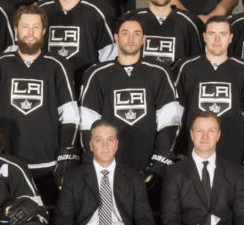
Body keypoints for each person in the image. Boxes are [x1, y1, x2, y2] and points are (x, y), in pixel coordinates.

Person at [0, 4, 80, 205]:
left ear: (44, 31)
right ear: (15, 30)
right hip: (7, 165)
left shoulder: (58, 65)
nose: (30, 33)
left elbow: (69, 115)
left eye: (36, 27)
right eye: (25, 27)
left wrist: (66, 151)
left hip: (48, 166)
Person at [76, 15, 181, 186]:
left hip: (148, 161)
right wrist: (94, 159)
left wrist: (161, 156)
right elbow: (88, 123)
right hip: (109, 163)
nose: (131, 39)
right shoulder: (96, 74)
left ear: (143, 39)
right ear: (116, 37)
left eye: (136, 34)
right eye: (125, 33)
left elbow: (169, 119)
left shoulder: (159, 72)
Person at [173, 16, 244, 176]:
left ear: (230, 38)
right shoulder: (186, 67)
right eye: (212, 34)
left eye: (222, 34)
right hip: (193, 156)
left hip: (233, 156)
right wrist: (177, 150)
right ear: (204, 36)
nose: (216, 39)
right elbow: (176, 115)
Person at [40, 0, 115, 86]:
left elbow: (109, 57)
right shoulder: (40, 11)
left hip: (85, 87)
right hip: (49, 86)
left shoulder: (99, 11)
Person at [130, 0, 202, 75]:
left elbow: (197, 62)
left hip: (177, 87)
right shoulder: (132, 19)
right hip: (141, 86)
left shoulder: (190, 22)